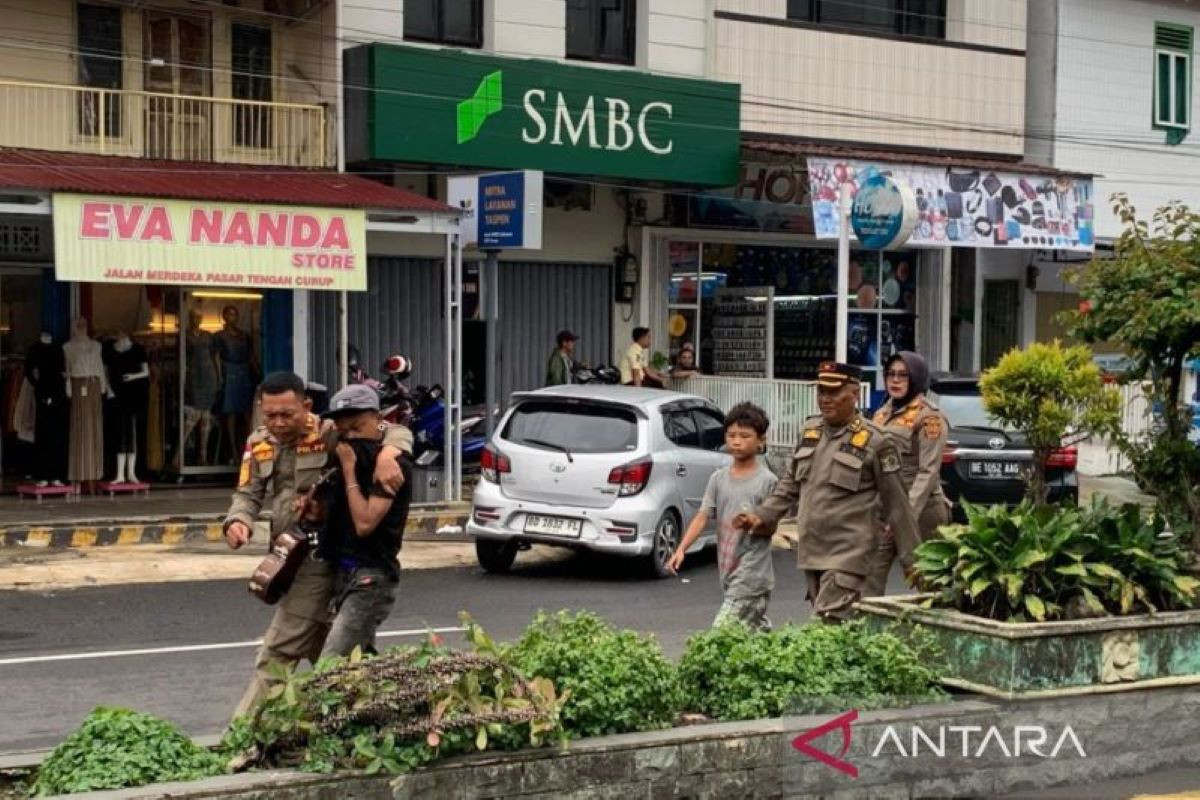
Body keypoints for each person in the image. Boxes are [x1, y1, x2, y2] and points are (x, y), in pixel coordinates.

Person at [223, 371, 410, 718]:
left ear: (305, 406)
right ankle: (380, 718)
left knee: (279, 648)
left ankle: (243, 731)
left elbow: (387, 428)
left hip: (319, 555)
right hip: (287, 554)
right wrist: (238, 521)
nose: (278, 422)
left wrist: (390, 453)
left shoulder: (329, 431)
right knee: (336, 655)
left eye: (287, 414)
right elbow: (247, 493)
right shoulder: (258, 442)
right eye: (269, 414)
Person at [733, 362, 918, 623]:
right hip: (813, 552)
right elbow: (790, 484)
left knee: (826, 626)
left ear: (854, 394)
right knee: (841, 635)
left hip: (850, 555)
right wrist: (762, 515)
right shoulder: (811, 431)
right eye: (821, 392)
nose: (824, 400)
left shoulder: (877, 441)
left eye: (833, 393)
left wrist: (913, 561)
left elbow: (898, 505)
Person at [315, 384, 413, 659]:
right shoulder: (345, 452)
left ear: (377, 419)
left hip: (371, 578)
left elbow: (365, 523)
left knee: (331, 663)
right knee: (362, 663)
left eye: (357, 428)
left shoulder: (391, 466)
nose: (351, 437)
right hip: (343, 572)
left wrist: (349, 472)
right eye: (344, 431)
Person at [667, 402, 777, 630]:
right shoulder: (718, 478)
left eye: (745, 436)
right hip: (728, 569)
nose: (737, 441)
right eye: (731, 435)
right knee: (754, 631)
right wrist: (681, 549)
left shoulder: (767, 482)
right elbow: (702, 515)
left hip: (752, 575)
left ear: (761, 440)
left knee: (721, 633)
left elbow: (771, 527)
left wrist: (753, 523)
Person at [863, 352, 951, 597]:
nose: (895, 380)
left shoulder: (929, 418)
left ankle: (935, 631)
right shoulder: (881, 413)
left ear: (916, 378)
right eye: (890, 374)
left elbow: (928, 471)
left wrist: (904, 516)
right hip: (885, 508)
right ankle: (867, 631)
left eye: (903, 375)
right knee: (869, 575)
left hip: (921, 512)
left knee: (925, 579)